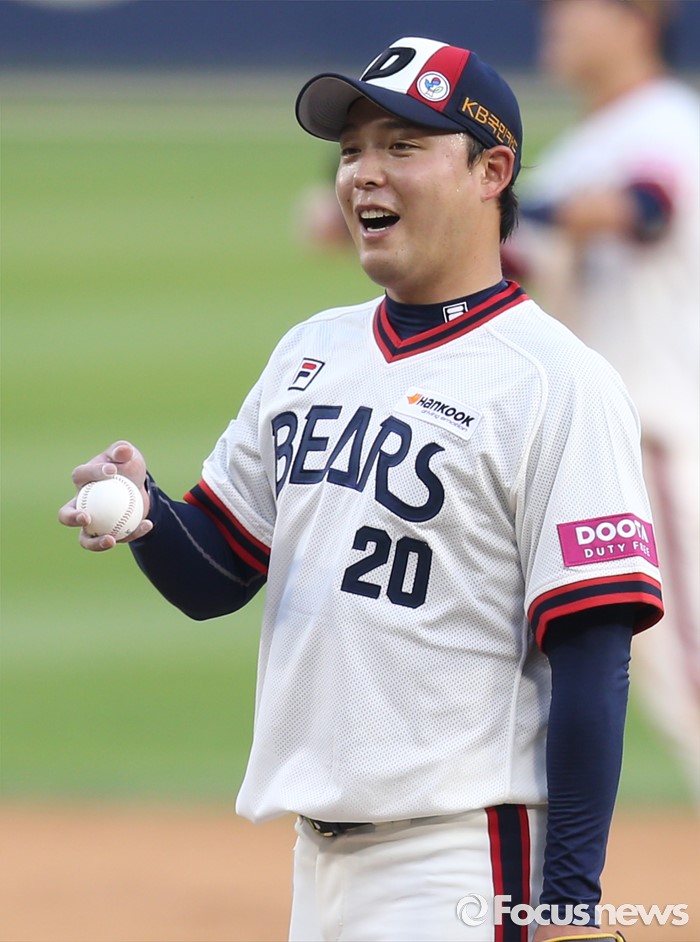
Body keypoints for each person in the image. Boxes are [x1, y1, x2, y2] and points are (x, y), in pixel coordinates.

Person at [59, 36, 664, 942]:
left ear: (492, 171)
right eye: (351, 152)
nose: (363, 175)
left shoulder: (555, 382)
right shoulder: (313, 350)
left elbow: (593, 658)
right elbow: (216, 575)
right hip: (318, 867)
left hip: (463, 863)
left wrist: (569, 904)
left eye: (402, 146)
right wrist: (146, 509)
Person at [504, 0, 700, 804]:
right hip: (590, 454)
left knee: (690, 683)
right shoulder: (580, 149)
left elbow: (640, 208)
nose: (553, 17)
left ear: (640, 16)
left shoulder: (669, 123)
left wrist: (498, 199)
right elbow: (507, 264)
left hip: (658, 443)